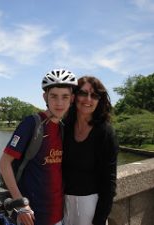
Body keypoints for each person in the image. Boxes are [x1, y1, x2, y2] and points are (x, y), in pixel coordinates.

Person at [0, 69, 77, 225]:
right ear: (45, 97)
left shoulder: (63, 128)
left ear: (72, 99)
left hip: (59, 215)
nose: (59, 103)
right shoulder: (32, 124)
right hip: (32, 216)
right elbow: (4, 163)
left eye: (65, 97)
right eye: (54, 96)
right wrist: (20, 204)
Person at [62, 76, 119, 225]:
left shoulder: (105, 132)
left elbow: (109, 182)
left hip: (91, 205)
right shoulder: (65, 127)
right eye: (83, 93)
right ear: (74, 96)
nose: (88, 99)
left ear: (99, 100)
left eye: (94, 95)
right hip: (63, 204)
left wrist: (99, 220)